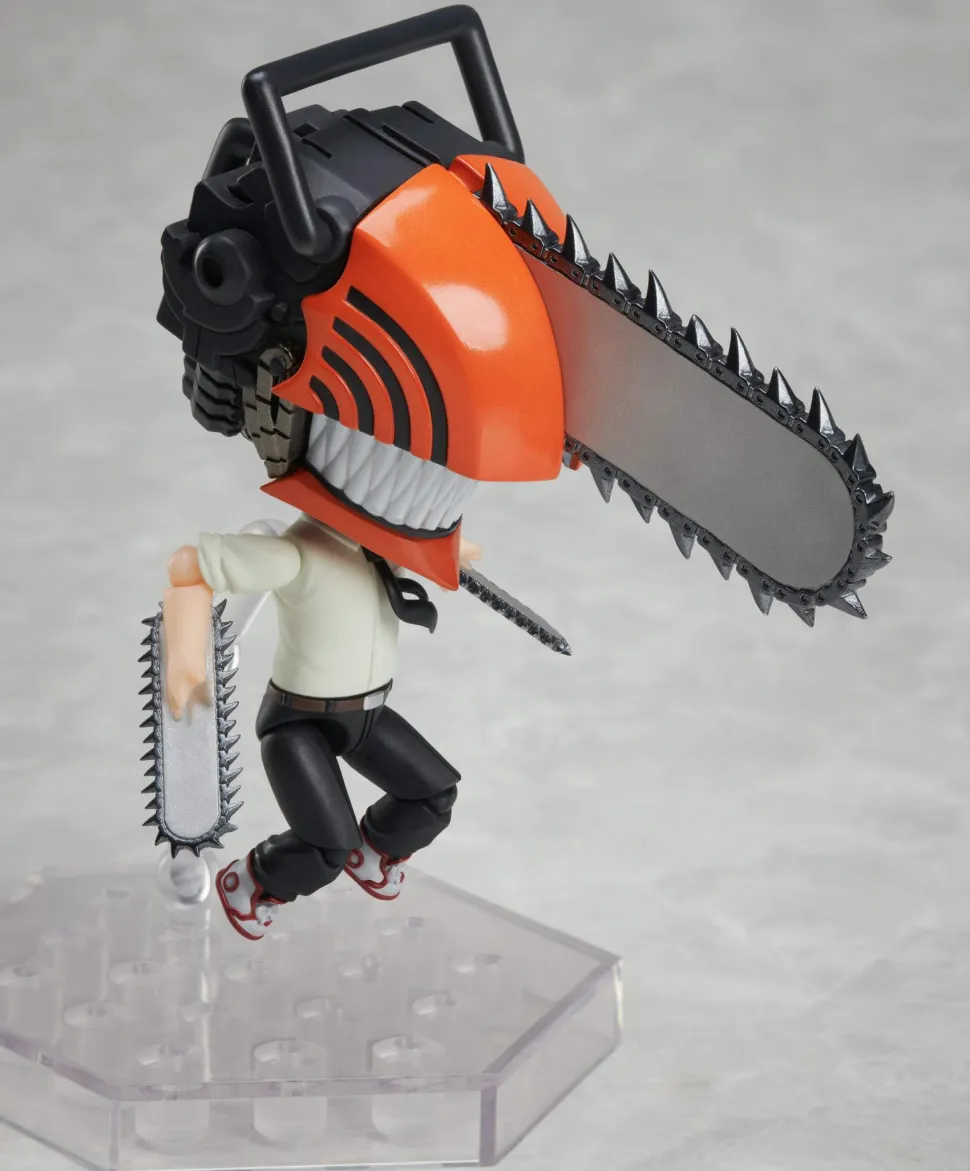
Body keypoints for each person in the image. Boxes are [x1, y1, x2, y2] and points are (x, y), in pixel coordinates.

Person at [162, 511, 481, 941]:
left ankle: (375, 852)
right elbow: (189, 564)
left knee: (433, 795)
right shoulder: (298, 552)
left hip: (367, 714)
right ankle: (253, 882)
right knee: (329, 848)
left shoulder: (381, 543)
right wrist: (186, 649)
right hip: (299, 722)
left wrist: (443, 547)